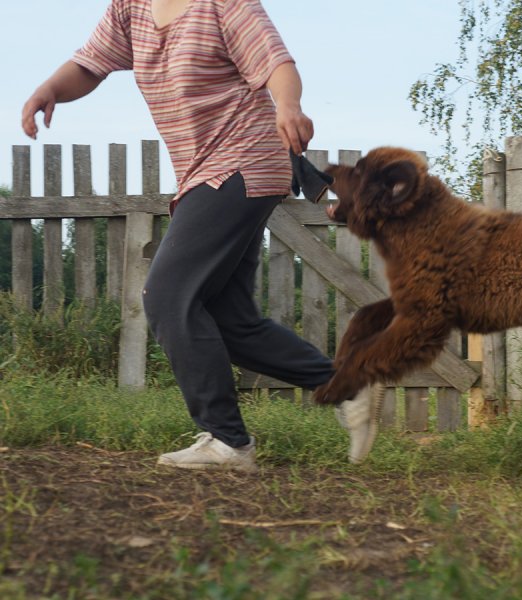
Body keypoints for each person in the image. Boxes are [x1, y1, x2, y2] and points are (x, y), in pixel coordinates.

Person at [21, 0, 383, 470]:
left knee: (168, 297)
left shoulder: (222, 4)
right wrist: (49, 89)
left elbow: (275, 61)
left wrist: (289, 106)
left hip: (243, 159)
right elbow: (91, 64)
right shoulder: (130, 8)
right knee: (230, 320)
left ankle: (228, 441)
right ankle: (346, 385)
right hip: (208, 171)